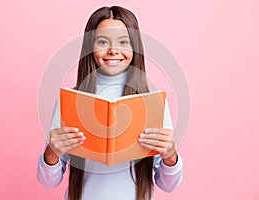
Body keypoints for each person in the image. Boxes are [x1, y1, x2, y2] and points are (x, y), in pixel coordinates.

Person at [37, 6, 183, 200]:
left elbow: (168, 185)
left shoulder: (153, 101)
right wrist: (51, 154)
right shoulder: (71, 99)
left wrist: (171, 157)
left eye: (123, 42)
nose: (113, 50)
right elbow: (48, 182)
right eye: (103, 42)